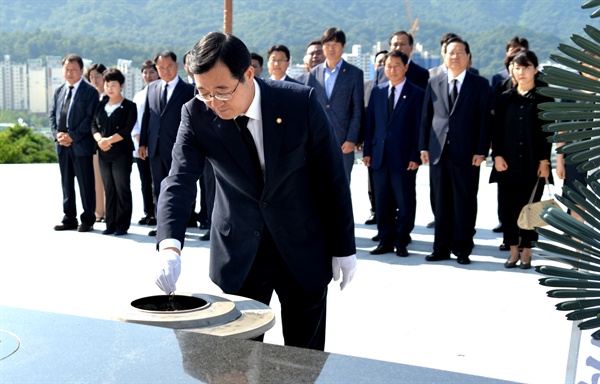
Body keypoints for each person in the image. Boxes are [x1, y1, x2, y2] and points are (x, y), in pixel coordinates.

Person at [154, 32, 357, 351]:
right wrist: (170, 246)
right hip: (239, 252)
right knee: (236, 359)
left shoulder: (299, 102)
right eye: (203, 91)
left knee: (303, 359)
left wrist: (344, 248)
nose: (213, 102)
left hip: (302, 248)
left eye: (222, 91)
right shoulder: (196, 114)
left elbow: (330, 177)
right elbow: (179, 179)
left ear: (249, 73)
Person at [419, 37, 491, 265]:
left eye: (461, 52)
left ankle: (462, 249)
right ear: (444, 56)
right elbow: (426, 117)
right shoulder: (434, 81)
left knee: (465, 201)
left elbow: (484, 121)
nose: (455, 56)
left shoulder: (480, 84)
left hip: (468, 153)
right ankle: (440, 247)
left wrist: (481, 150)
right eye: (451, 52)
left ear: (468, 57)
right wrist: (423, 146)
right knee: (440, 202)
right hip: (438, 150)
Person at [489, 50, 553, 269]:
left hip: (533, 163)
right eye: (517, 68)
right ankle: (513, 251)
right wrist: (496, 156)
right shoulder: (504, 97)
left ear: (535, 69)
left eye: (526, 67)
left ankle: (527, 251)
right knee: (508, 210)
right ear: (511, 71)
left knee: (531, 210)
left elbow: (548, 132)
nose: (522, 72)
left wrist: (545, 161)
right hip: (506, 163)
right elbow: (495, 131)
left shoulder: (545, 98)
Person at [363, 50, 424, 257]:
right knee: (382, 201)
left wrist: (415, 156)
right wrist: (368, 152)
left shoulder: (417, 93)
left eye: (397, 65)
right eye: (388, 66)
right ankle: (385, 240)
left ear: (406, 67)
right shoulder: (377, 91)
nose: (392, 69)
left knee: (405, 202)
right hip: (379, 156)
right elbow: (370, 123)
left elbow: (419, 127)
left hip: (404, 158)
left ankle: (402, 240)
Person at [139, 50, 195, 236]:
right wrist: (143, 144)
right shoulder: (152, 87)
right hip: (155, 148)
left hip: (178, 148)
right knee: (158, 187)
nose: (165, 70)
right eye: (161, 67)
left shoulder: (188, 89)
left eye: (169, 66)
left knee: (178, 187)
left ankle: (181, 224)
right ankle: (161, 224)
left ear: (177, 66)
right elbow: (148, 116)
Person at [302, 27, 364, 184]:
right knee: (317, 187)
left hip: (343, 143)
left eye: (335, 44)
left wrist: (351, 139)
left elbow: (357, 110)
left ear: (343, 47)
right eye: (327, 44)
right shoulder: (313, 73)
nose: (331, 48)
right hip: (317, 141)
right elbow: (308, 109)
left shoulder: (354, 73)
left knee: (341, 186)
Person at [49, 54, 99, 232]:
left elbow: (90, 118)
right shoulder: (59, 91)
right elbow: (53, 115)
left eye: (73, 70)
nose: (69, 73)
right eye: (66, 69)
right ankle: (69, 218)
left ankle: (87, 219)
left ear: (81, 70)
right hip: (62, 146)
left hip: (81, 145)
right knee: (66, 184)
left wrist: (73, 136)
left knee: (86, 184)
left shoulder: (90, 91)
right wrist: (58, 135)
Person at [91, 68, 137, 236]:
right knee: (108, 188)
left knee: (122, 187)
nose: (109, 88)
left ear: (121, 86)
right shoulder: (101, 104)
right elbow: (93, 125)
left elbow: (126, 130)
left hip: (121, 153)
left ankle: (122, 225)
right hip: (103, 152)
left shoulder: (129, 106)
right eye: (107, 85)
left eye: (113, 85)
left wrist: (107, 140)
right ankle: (110, 224)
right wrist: (99, 140)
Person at [131, 60, 158, 226]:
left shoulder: (160, 93)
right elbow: (134, 120)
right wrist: (138, 137)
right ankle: (148, 212)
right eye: (145, 73)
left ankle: (157, 213)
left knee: (158, 182)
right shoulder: (138, 95)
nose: (148, 76)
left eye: (151, 72)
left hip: (157, 146)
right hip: (139, 145)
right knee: (145, 182)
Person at [363, 49, 388, 227]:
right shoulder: (368, 87)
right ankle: (375, 212)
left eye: (384, 62)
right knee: (372, 183)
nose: (381, 66)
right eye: (379, 62)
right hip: (372, 142)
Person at [86, 63, 108, 224]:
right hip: (92, 144)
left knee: (107, 181)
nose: (94, 80)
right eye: (91, 77)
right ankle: (98, 212)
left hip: (108, 144)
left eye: (97, 76)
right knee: (95, 180)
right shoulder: (89, 96)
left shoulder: (109, 96)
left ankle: (109, 212)